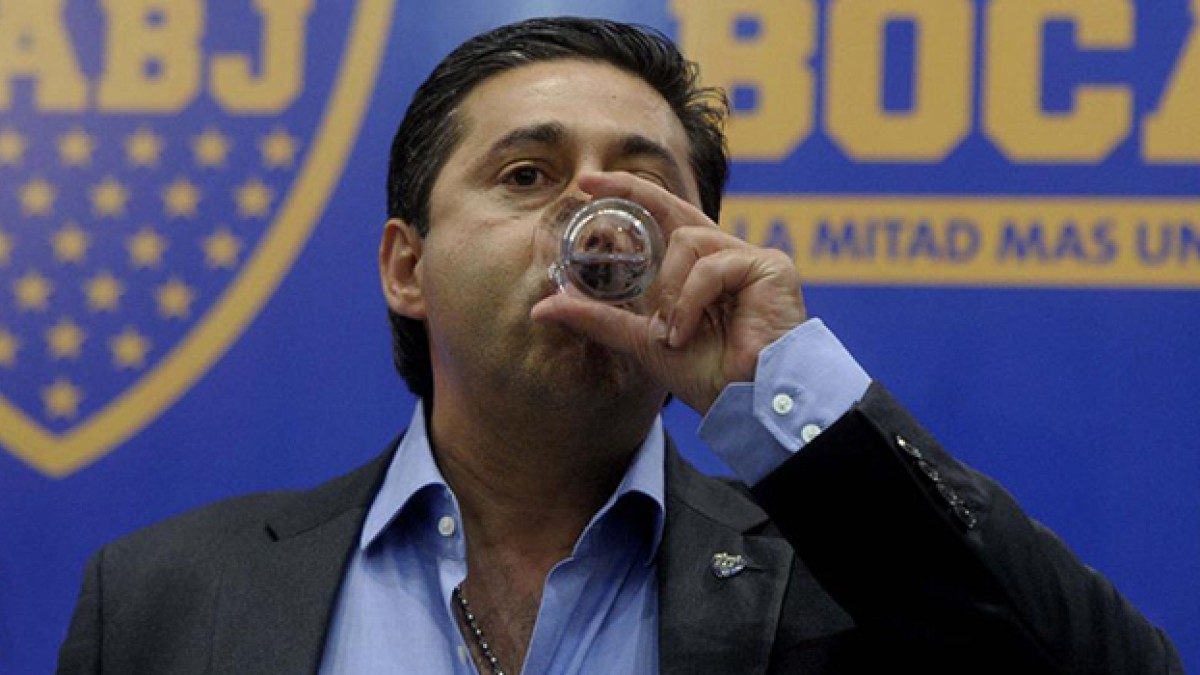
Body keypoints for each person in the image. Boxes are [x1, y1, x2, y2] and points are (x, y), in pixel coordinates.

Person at [56, 17, 1182, 675]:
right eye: (526, 175)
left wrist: (785, 389)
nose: (594, 218)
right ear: (407, 266)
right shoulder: (165, 595)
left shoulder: (847, 577)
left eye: (642, 185)